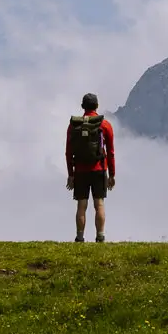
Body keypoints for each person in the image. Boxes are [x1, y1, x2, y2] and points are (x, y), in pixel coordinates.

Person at [66, 92, 116, 243]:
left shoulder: (74, 125)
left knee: (82, 205)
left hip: (80, 170)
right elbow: (111, 152)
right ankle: (100, 236)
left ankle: (80, 237)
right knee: (99, 203)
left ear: (82, 106)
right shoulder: (105, 125)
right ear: (97, 106)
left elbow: (68, 152)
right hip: (99, 169)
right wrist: (112, 175)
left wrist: (71, 174)